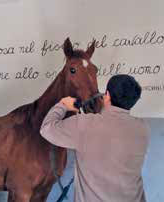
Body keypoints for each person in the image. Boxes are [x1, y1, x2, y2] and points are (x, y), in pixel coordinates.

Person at [40, 74, 149, 202]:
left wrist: (63, 105)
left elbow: (47, 129)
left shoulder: (85, 125)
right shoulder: (142, 128)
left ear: (107, 95)